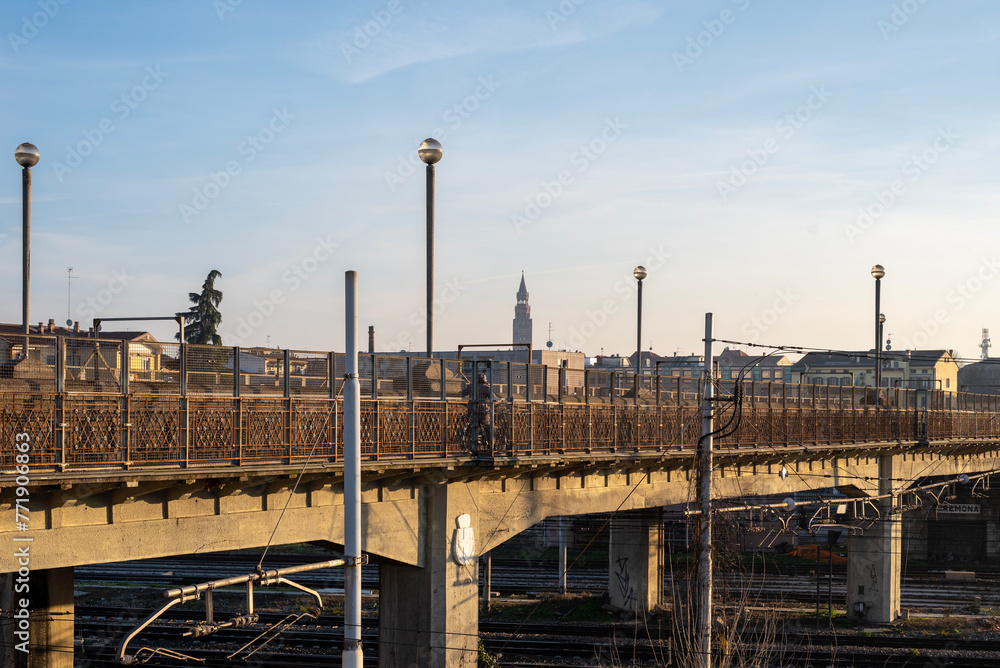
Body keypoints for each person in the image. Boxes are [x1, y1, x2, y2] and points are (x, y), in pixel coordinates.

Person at [463, 372, 495, 453]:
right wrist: (500, 400)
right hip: (483, 410)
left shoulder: (471, 386)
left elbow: (462, 393)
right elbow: (494, 398)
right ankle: (490, 445)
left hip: (471, 409)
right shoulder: (486, 387)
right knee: (488, 427)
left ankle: (472, 445)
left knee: (473, 426)